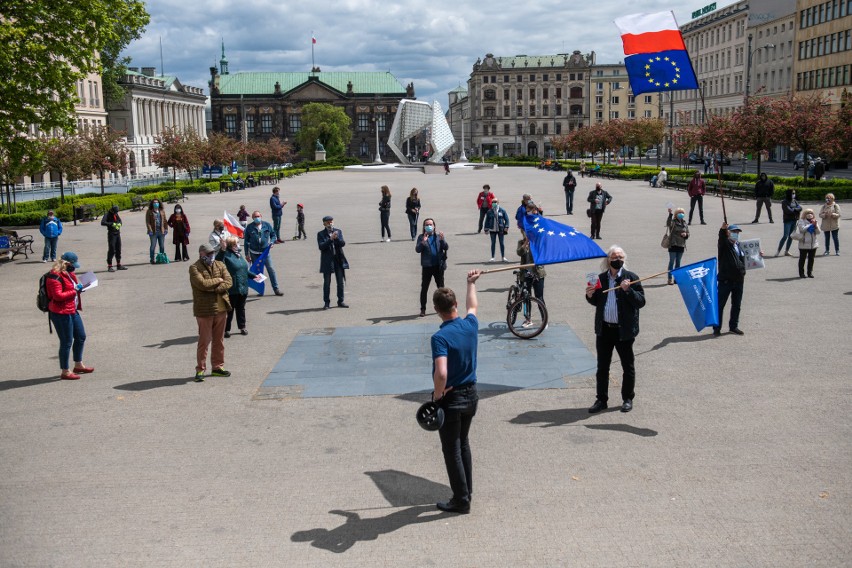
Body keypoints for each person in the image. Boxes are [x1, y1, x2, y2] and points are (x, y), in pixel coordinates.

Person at [430, 269, 482, 514]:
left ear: (436, 310)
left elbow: (441, 373)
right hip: (471, 395)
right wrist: (470, 283)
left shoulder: (440, 337)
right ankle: (466, 491)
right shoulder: (470, 325)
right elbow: (473, 307)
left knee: (452, 450)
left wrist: (437, 395)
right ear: (455, 305)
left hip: (451, 399)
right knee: (463, 445)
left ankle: (461, 500)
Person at [585, 246, 645, 413]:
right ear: (608, 260)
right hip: (605, 329)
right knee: (602, 367)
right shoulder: (601, 279)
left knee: (628, 366)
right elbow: (597, 301)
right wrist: (590, 295)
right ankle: (601, 399)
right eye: (614, 257)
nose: (617, 259)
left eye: (620, 257)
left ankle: (627, 398)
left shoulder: (631, 278)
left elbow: (640, 302)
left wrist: (628, 290)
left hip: (623, 330)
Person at [46, 252, 93, 380]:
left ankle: (78, 364)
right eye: (73, 265)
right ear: (66, 263)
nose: (75, 268)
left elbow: (71, 289)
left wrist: (80, 288)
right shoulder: (53, 277)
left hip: (72, 310)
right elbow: (58, 296)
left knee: (81, 336)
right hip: (61, 313)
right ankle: (65, 371)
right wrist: (75, 291)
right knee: (66, 342)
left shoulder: (69, 274)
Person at [189, 243, 232, 381]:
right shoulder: (194, 268)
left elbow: (229, 281)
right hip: (205, 310)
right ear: (201, 254)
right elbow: (202, 284)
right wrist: (218, 281)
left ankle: (217, 367)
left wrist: (215, 287)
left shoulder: (220, 264)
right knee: (204, 341)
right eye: (208, 254)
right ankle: (200, 369)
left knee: (219, 340)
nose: (211, 256)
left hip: (221, 309)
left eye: (212, 253)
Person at [217, 236, 258, 338]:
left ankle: (242, 327)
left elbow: (244, 269)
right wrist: (222, 249)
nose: (238, 245)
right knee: (230, 310)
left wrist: (253, 276)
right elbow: (217, 261)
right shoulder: (226, 255)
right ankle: (226, 329)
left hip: (243, 287)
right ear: (231, 245)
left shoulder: (239, 255)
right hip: (232, 288)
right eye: (236, 243)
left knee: (241, 308)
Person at [715, 223, 749, 336]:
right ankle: (717, 328)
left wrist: (757, 255)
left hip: (739, 280)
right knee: (720, 305)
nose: (736, 234)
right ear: (728, 233)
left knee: (736, 305)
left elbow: (745, 259)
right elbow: (721, 238)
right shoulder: (725, 245)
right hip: (726, 280)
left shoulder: (738, 246)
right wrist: (722, 229)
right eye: (734, 232)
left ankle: (733, 326)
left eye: (737, 232)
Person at [244, 211, 283, 296]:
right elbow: (246, 241)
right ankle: (260, 290)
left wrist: (272, 242)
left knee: (271, 270)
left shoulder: (267, 225)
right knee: (258, 273)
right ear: (252, 218)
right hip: (254, 253)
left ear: (261, 216)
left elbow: (273, 235)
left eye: (258, 216)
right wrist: (247, 254)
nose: (257, 218)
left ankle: (276, 289)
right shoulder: (249, 227)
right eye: (255, 217)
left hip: (265, 253)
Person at [415, 218, 448, 317]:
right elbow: (417, 250)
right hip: (427, 267)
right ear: (424, 227)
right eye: (427, 224)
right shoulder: (421, 237)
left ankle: (443, 307)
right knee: (424, 288)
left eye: (430, 224)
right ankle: (423, 309)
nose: (429, 226)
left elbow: (445, 247)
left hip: (438, 266)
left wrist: (442, 240)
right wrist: (423, 242)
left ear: (434, 226)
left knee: (441, 288)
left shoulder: (438, 237)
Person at [318, 215, 348, 309]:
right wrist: (330, 239)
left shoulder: (338, 231)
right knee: (327, 282)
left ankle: (341, 301)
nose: (330, 223)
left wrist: (337, 238)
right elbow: (321, 246)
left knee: (340, 282)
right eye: (328, 222)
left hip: (338, 259)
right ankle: (326, 302)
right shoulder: (321, 234)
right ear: (324, 223)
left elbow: (343, 243)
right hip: (327, 261)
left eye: (331, 221)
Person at [516, 232, 546, 325]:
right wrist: (525, 244)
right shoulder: (521, 242)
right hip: (525, 274)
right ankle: (528, 319)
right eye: (524, 233)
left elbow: (541, 254)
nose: (526, 234)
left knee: (539, 297)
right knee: (526, 297)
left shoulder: (537, 242)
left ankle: (544, 320)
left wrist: (532, 244)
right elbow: (519, 252)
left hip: (537, 274)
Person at [666, 207, 690, 285]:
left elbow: (688, 233)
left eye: (682, 213)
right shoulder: (673, 222)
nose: (681, 214)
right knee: (672, 262)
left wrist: (686, 234)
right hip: (673, 244)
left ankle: (677, 278)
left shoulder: (685, 223)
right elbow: (668, 224)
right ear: (676, 214)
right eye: (679, 213)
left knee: (678, 263)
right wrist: (670, 214)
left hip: (681, 245)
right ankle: (669, 278)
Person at [776, 190, 802, 257]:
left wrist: (794, 209)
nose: (794, 194)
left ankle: (787, 251)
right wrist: (795, 210)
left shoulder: (794, 201)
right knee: (785, 236)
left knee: (791, 236)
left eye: (794, 193)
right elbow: (788, 211)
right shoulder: (784, 202)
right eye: (792, 193)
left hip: (794, 220)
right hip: (788, 220)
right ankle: (778, 251)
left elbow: (800, 208)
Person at [101, 205, 127, 272]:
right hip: (111, 234)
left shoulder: (116, 214)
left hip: (117, 233)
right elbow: (103, 222)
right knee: (112, 249)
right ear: (112, 210)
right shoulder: (107, 214)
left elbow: (120, 221)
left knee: (118, 248)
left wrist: (119, 224)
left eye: (117, 212)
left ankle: (118, 264)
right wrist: (111, 224)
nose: (116, 213)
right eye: (115, 212)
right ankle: (110, 265)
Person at [796, 209, 821, 278]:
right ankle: (801, 273)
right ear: (805, 214)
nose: (810, 215)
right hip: (804, 244)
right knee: (802, 259)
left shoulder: (814, 221)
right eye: (808, 213)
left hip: (813, 244)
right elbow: (802, 229)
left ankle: (809, 273)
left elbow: (818, 232)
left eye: (811, 213)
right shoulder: (801, 221)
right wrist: (810, 225)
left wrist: (815, 225)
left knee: (811, 259)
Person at [145, 198, 168, 264]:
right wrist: (150, 230)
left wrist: (166, 229)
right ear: (152, 204)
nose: (156, 204)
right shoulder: (149, 211)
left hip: (161, 231)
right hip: (153, 232)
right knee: (153, 245)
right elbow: (147, 222)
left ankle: (161, 258)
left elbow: (165, 221)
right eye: (154, 202)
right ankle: (152, 259)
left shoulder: (161, 210)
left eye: (157, 202)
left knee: (162, 245)